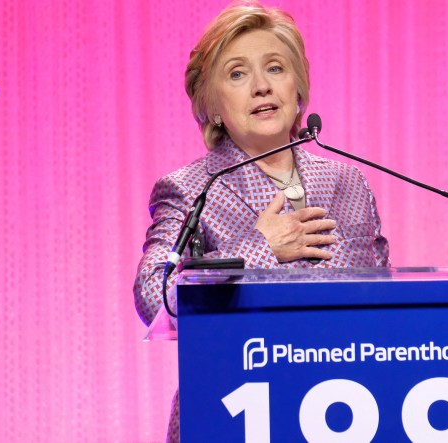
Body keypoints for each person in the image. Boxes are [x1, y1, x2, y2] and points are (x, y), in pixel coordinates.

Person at [133, 1, 389, 441]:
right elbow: (154, 297)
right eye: (237, 74)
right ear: (212, 106)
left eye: (275, 68)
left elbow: (381, 300)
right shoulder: (190, 188)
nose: (260, 87)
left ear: (297, 88)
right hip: (234, 413)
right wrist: (258, 248)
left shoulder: (347, 181)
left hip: (343, 413)